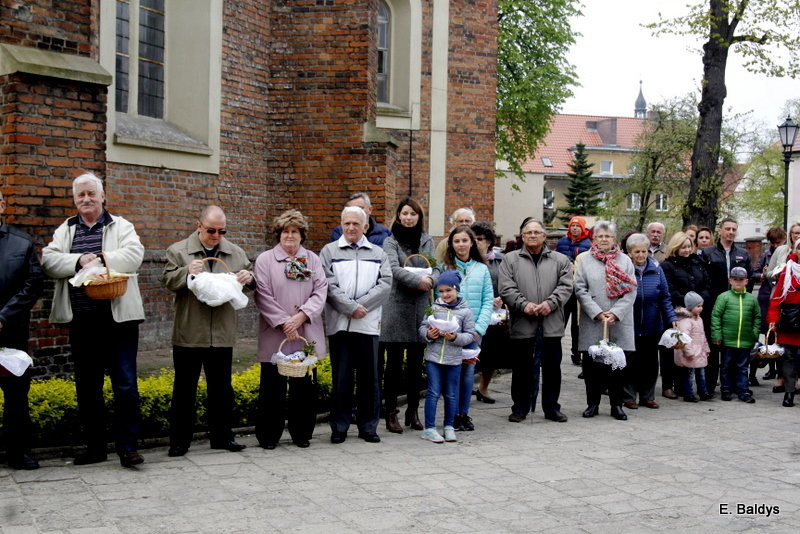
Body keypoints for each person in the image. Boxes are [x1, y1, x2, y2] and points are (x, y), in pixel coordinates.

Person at [41, 173, 145, 467]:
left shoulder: (121, 225)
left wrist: (99, 257)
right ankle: (95, 448)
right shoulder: (66, 229)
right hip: (82, 322)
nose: (86, 199)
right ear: (74, 200)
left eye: (91, 194)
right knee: (87, 387)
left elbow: (135, 254)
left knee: (125, 385)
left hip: (118, 320)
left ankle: (128, 447)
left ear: (102, 196)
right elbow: (49, 260)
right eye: (80, 195)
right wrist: (77, 260)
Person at [163, 205, 255, 457]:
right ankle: (179, 442)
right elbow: (168, 280)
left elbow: (251, 280)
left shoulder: (235, 252)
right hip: (189, 332)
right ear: (199, 225)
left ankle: (223, 437)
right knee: (184, 390)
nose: (217, 235)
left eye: (222, 231)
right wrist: (186, 272)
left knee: (222, 389)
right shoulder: (178, 250)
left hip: (222, 332)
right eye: (212, 230)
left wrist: (249, 277)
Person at [253, 210, 327, 449]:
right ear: (278, 234)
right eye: (285, 231)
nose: (290, 236)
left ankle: (302, 434)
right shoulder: (265, 260)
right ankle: (269, 436)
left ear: (302, 235)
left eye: (295, 231)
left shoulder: (312, 260)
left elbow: (321, 290)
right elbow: (262, 294)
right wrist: (285, 322)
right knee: (272, 388)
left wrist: (301, 317)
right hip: (276, 333)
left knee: (304, 388)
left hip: (305, 333)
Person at [321, 206, 392, 444]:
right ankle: (339, 426)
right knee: (341, 379)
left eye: (355, 224)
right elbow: (327, 285)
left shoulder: (378, 253)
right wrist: (350, 308)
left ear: (366, 227)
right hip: (340, 325)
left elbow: (386, 285)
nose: (350, 228)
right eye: (346, 223)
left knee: (369, 379)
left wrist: (361, 306)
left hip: (368, 325)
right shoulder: (329, 251)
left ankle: (368, 426)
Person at [499, 218, 573, 423]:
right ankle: (519, 408)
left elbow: (566, 286)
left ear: (544, 236)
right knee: (521, 368)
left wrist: (551, 303)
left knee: (552, 368)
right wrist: (524, 305)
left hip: (551, 324)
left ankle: (551, 408)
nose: (532, 235)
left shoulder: (560, 260)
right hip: (523, 323)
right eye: (528, 233)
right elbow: (506, 287)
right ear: (522, 237)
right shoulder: (510, 259)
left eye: (536, 232)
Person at [380, 198, 438, 433]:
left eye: (412, 214)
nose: (408, 217)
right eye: (404, 213)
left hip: (420, 309)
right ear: (398, 215)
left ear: (419, 217)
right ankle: (391, 412)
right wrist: (420, 281)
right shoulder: (390, 241)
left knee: (415, 366)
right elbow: (392, 269)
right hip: (396, 307)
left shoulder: (427, 240)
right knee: (393, 366)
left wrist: (432, 279)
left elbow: (436, 267)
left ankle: (413, 412)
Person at [575, 221, 637, 421]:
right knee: (592, 366)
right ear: (594, 239)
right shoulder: (584, 260)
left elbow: (631, 290)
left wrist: (615, 313)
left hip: (618, 320)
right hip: (593, 320)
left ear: (614, 239)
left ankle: (616, 405)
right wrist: (597, 312)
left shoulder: (625, 260)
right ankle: (592, 404)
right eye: (600, 236)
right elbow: (580, 289)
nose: (603, 239)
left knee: (617, 367)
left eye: (607, 236)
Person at [0, 190, 43, 470]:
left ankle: (18, 452)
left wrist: (4, 315)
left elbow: (32, 284)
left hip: (11, 330)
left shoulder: (21, 242)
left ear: (2, 205)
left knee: (16, 394)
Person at [441, 225, 493, 431]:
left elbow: (488, 299)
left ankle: (464, 414)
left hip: (473, 332)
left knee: (467, 375)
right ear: (451, 245)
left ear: (472, 242)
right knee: (452, 375)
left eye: (465, 240)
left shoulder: (481, 269)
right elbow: (439, 299)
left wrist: (479, 329)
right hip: (451, 331)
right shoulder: (447, 269)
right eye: (456, 241)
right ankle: (451, 415)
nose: (461, 245)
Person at [418, 270, 476, 443]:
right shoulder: (433, 308)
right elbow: (422, 328)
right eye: (441, 291)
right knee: (433, 392)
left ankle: (449, 426)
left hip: (454, 359)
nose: (445, 294)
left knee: (451, 394)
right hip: (434, 358)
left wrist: (455, 337)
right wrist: (430, 334)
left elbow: (470, 335)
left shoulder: (465, 312)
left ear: (457, 290)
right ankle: (429, 428)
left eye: (448, 290)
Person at [622, 233, 678, 410]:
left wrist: (671, 318)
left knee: (650, 363)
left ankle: (647, 396)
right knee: (631, 362)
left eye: (644, 251)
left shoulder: (656, 268)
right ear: (630, 253)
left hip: (652, 324)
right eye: (636, 251)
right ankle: (629, 396)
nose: (640, 255)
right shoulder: (623, 269)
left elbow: (665, 297)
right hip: (629, 324)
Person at [702, 217, 753, 396]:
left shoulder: (743, 254)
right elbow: (703, 280)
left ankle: (730, 386)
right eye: (728, 229)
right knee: (713, 347)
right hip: (713, 306)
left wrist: (743, 300)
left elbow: (750, 279)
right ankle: (708, 386)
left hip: (735, 306)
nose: (731, 232)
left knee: (732, 349)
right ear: (720, 230)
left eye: (734, 229)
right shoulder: (708, 253)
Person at [660, 232, 712, 399]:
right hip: (677, 311)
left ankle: (687, 386)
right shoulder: (667, 265)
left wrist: (699, 301)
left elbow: (706, 282)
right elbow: (668, 288)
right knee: (675, 350)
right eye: (683, 247)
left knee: (692, 348)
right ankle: (669, 385)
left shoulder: (698, 262)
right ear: (675, 247)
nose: (687, 250)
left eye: (689, 246)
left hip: (696, 311)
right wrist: (688, 302)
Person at [710, 267, 760, 403]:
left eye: (741, 280)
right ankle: (726, 390)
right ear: (730, 280)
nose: (738, 282)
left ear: (746, 281)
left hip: (745, 340)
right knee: (726, 366)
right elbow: (716, 317)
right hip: (728, 340)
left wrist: (754, 334)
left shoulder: (751, 299)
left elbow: (757, 317)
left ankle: (743, 390)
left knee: (743, 367)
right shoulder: (723, 297)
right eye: (735, 279)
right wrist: (717, 336)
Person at [471, 221, 507, 403]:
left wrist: (502, 298)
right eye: (474, 238)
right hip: (472, 313)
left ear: (489, 241)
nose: (477, 242)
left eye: (480, 239)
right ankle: (466, 384)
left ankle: (483, 388)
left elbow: (508, 283)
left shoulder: (499, 260)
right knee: (470, 352)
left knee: (491, 353)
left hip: (494, 314)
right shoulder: (466, 260)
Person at [767, 237, 800, 407]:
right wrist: (773, 319)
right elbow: (777, 296)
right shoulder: (787, 270)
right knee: (788, 358)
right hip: (789, 320)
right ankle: (789, 392)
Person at [555, 216, 592, 366]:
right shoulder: (563, 242)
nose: (575, 228)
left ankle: (577, 353)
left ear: (583, 228)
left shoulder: (587, 243)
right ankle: (553, 351)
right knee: (559, 321)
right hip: (564, 287)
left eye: (578, 226)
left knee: (577, 325)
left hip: (579, 288)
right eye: (572, 226)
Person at [754, 227, 786, 381]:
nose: (775, 246)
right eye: (773, 242)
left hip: (781, 297)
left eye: (778, 242)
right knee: (769, 333)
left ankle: (780, 370)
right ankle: (771, 368)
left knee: (780, 335)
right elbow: (755, 272)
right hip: (767, 297)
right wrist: (762, 274)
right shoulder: (766, 255)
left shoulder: (787, 254)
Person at [674, 292, 711, 402]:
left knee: (701, 374)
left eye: (701, 306)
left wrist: (706, 348)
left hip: (699, 352)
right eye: (697, 306)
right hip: (691, 353)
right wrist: (689, 352)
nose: (700, 308)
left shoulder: (699, 319)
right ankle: (688, 393)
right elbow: (684, 338)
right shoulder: (686, 321)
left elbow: (702, 335)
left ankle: (703, 392)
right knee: (689, 375)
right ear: (690, 306)